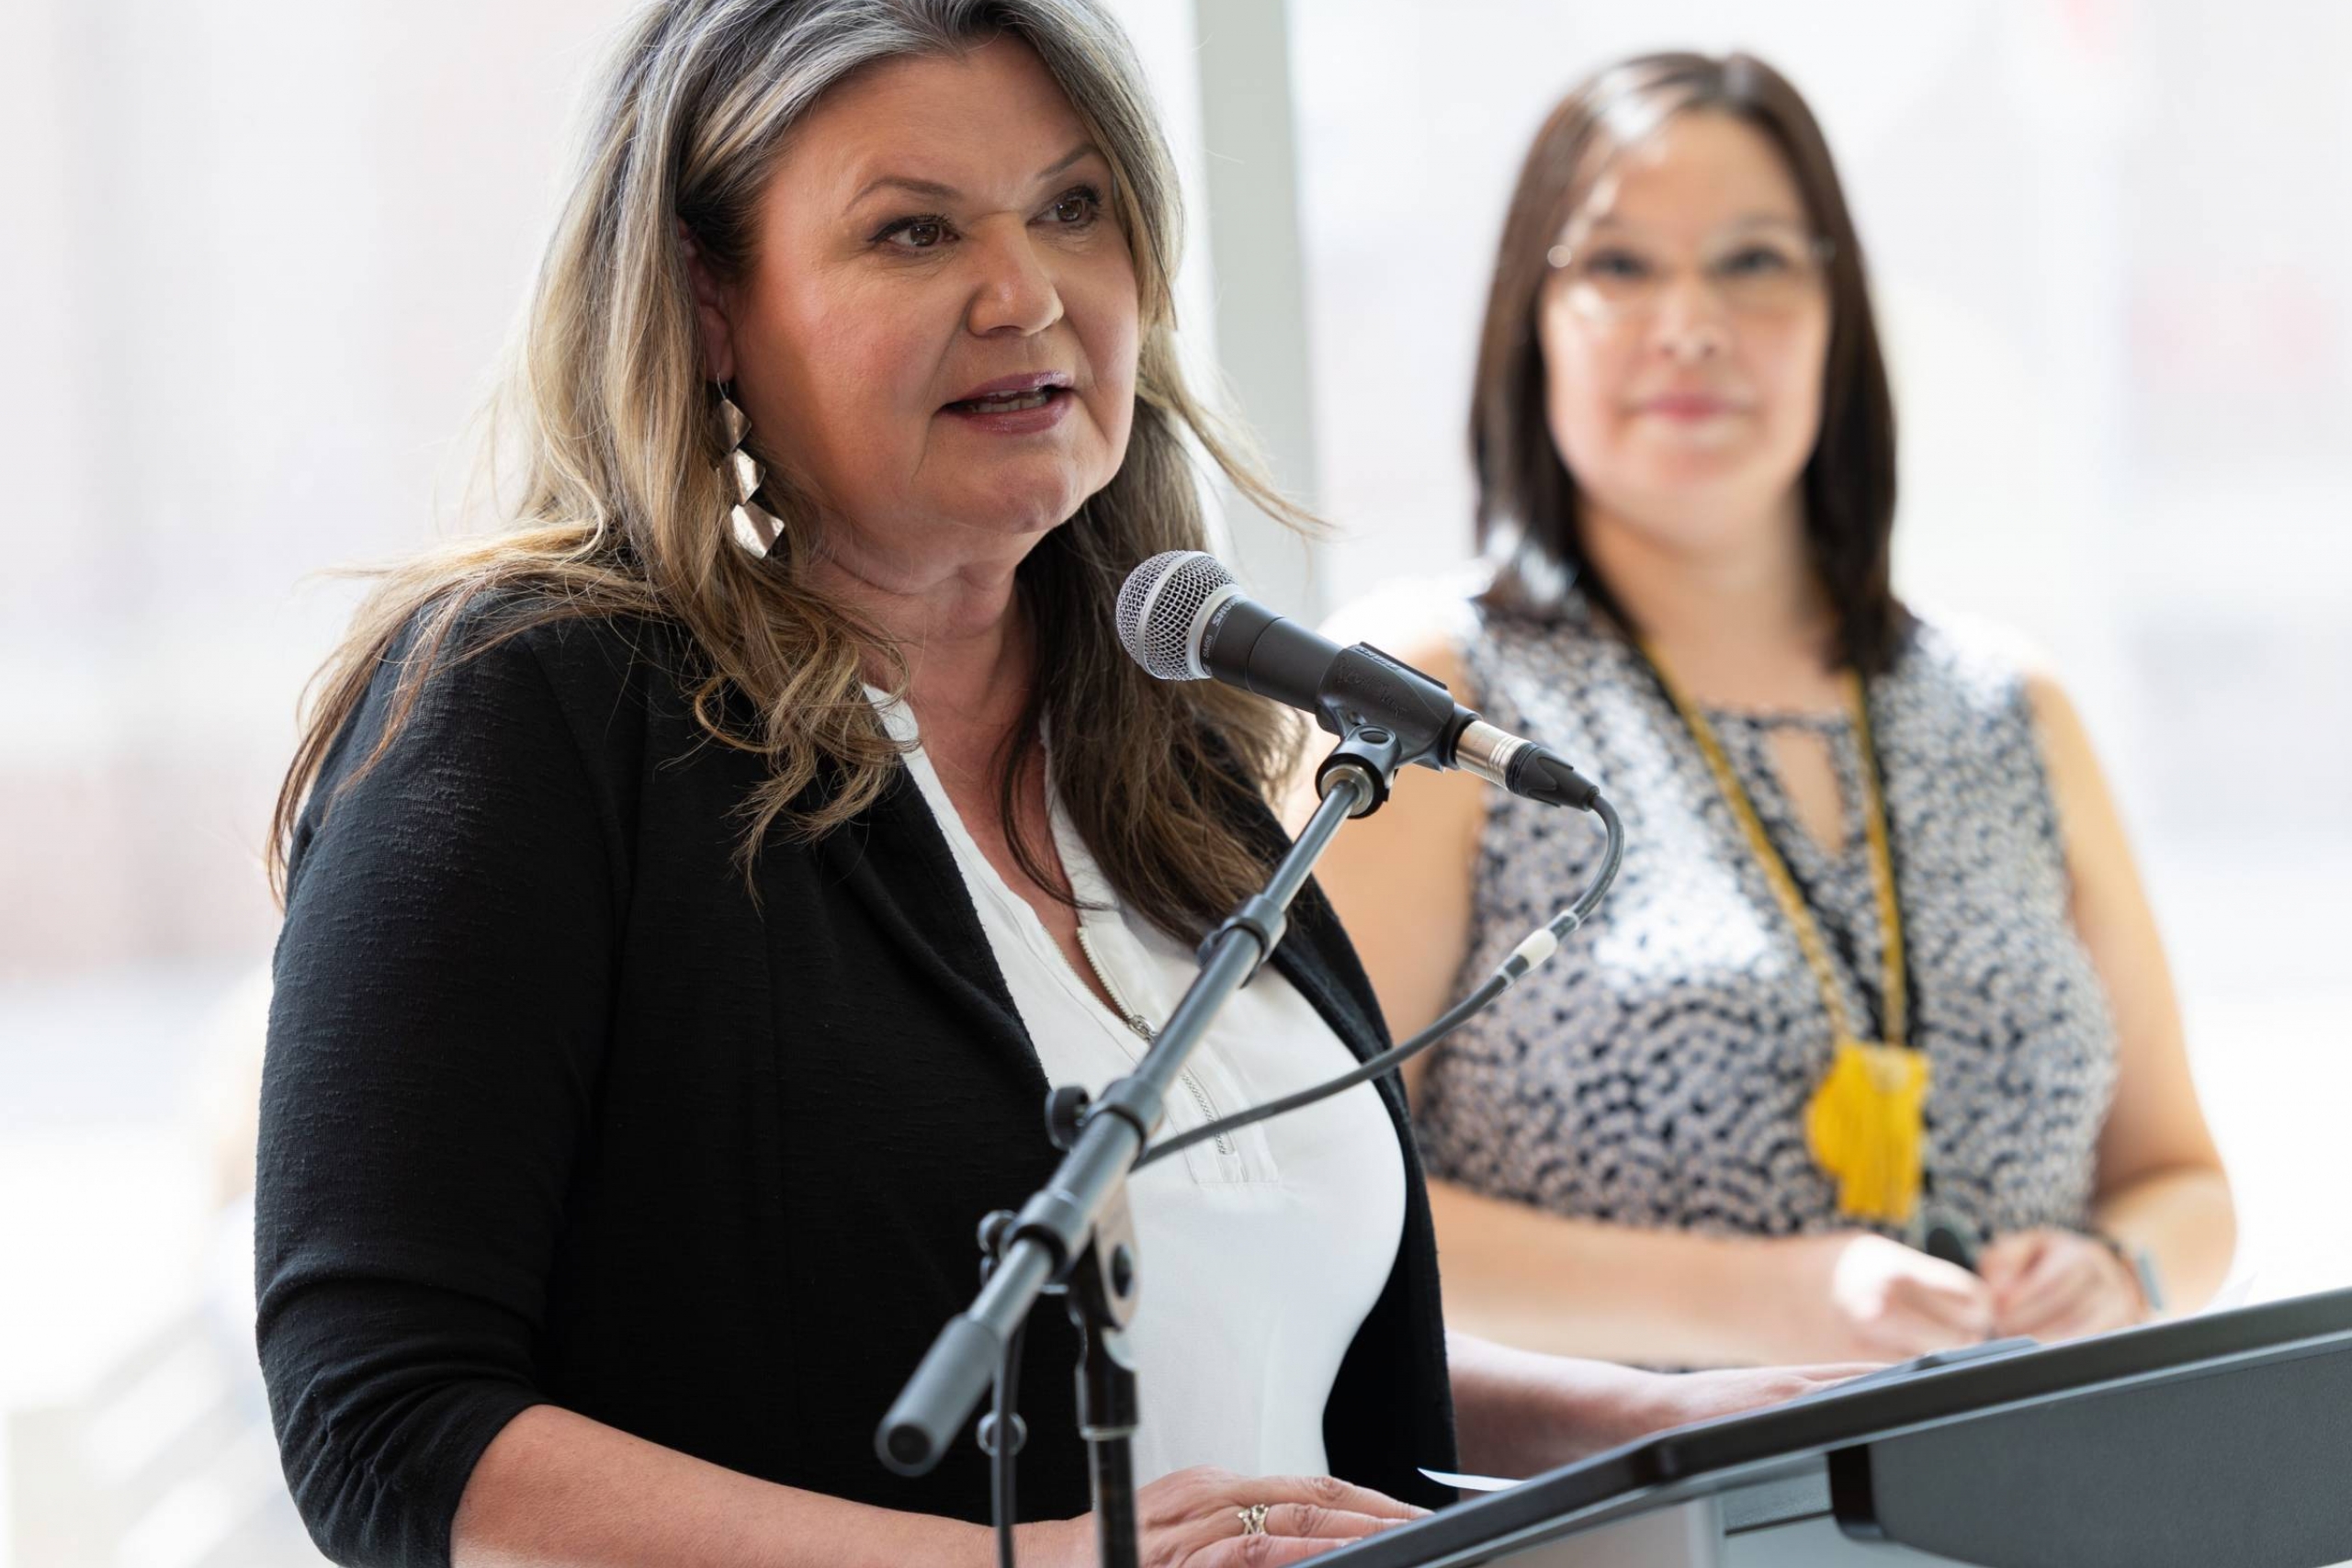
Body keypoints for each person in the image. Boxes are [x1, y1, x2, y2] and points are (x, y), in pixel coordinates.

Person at [255, 11, 1858, 1568]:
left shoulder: (1163, 746)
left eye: (1074, 210)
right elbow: (384, 1422)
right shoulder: (531, 700)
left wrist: (1665, 1425)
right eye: (913, 232)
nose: (1024, 294)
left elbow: (1239, 1327)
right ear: (707, 300)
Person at [1310, 51, 2235, 1372]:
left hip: (2035, 1467)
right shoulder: (1436, 701)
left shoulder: (2012, 710)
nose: (1691, 322)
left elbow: (2183, 1183)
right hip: (1644, 1485)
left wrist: (2120, 1272)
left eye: (1753, 262)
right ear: (1533, 316)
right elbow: (1317, 1197)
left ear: (1836, 314)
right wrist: (1758, 1302)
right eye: (1619, 266)